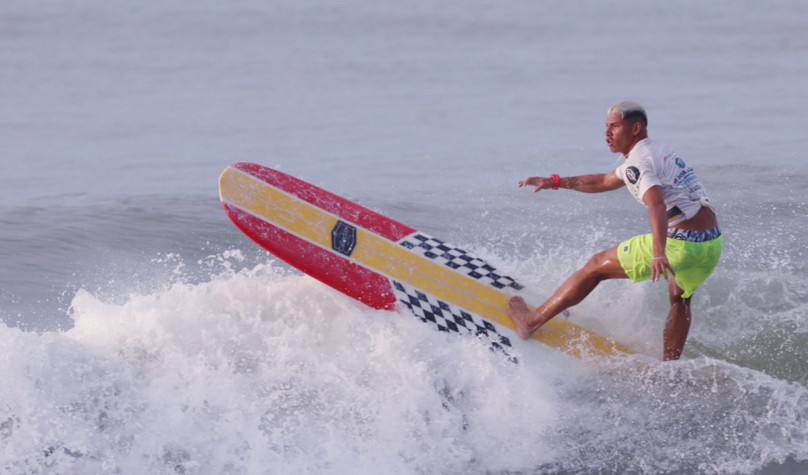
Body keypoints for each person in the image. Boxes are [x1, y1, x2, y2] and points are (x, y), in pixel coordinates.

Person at [506, 101, 722, 361]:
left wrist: (658, 254)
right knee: (680, 298)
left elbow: (655, 205)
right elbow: (606, 181)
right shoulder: (655, 150)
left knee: (595, 266)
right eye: (606, 127)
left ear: (635, 128)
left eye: (615, 126)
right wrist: (553, 182)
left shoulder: (638, 164)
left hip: (681, 244)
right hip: (710, 243)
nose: (607, 134)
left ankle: (531, 321)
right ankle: (670, 369)